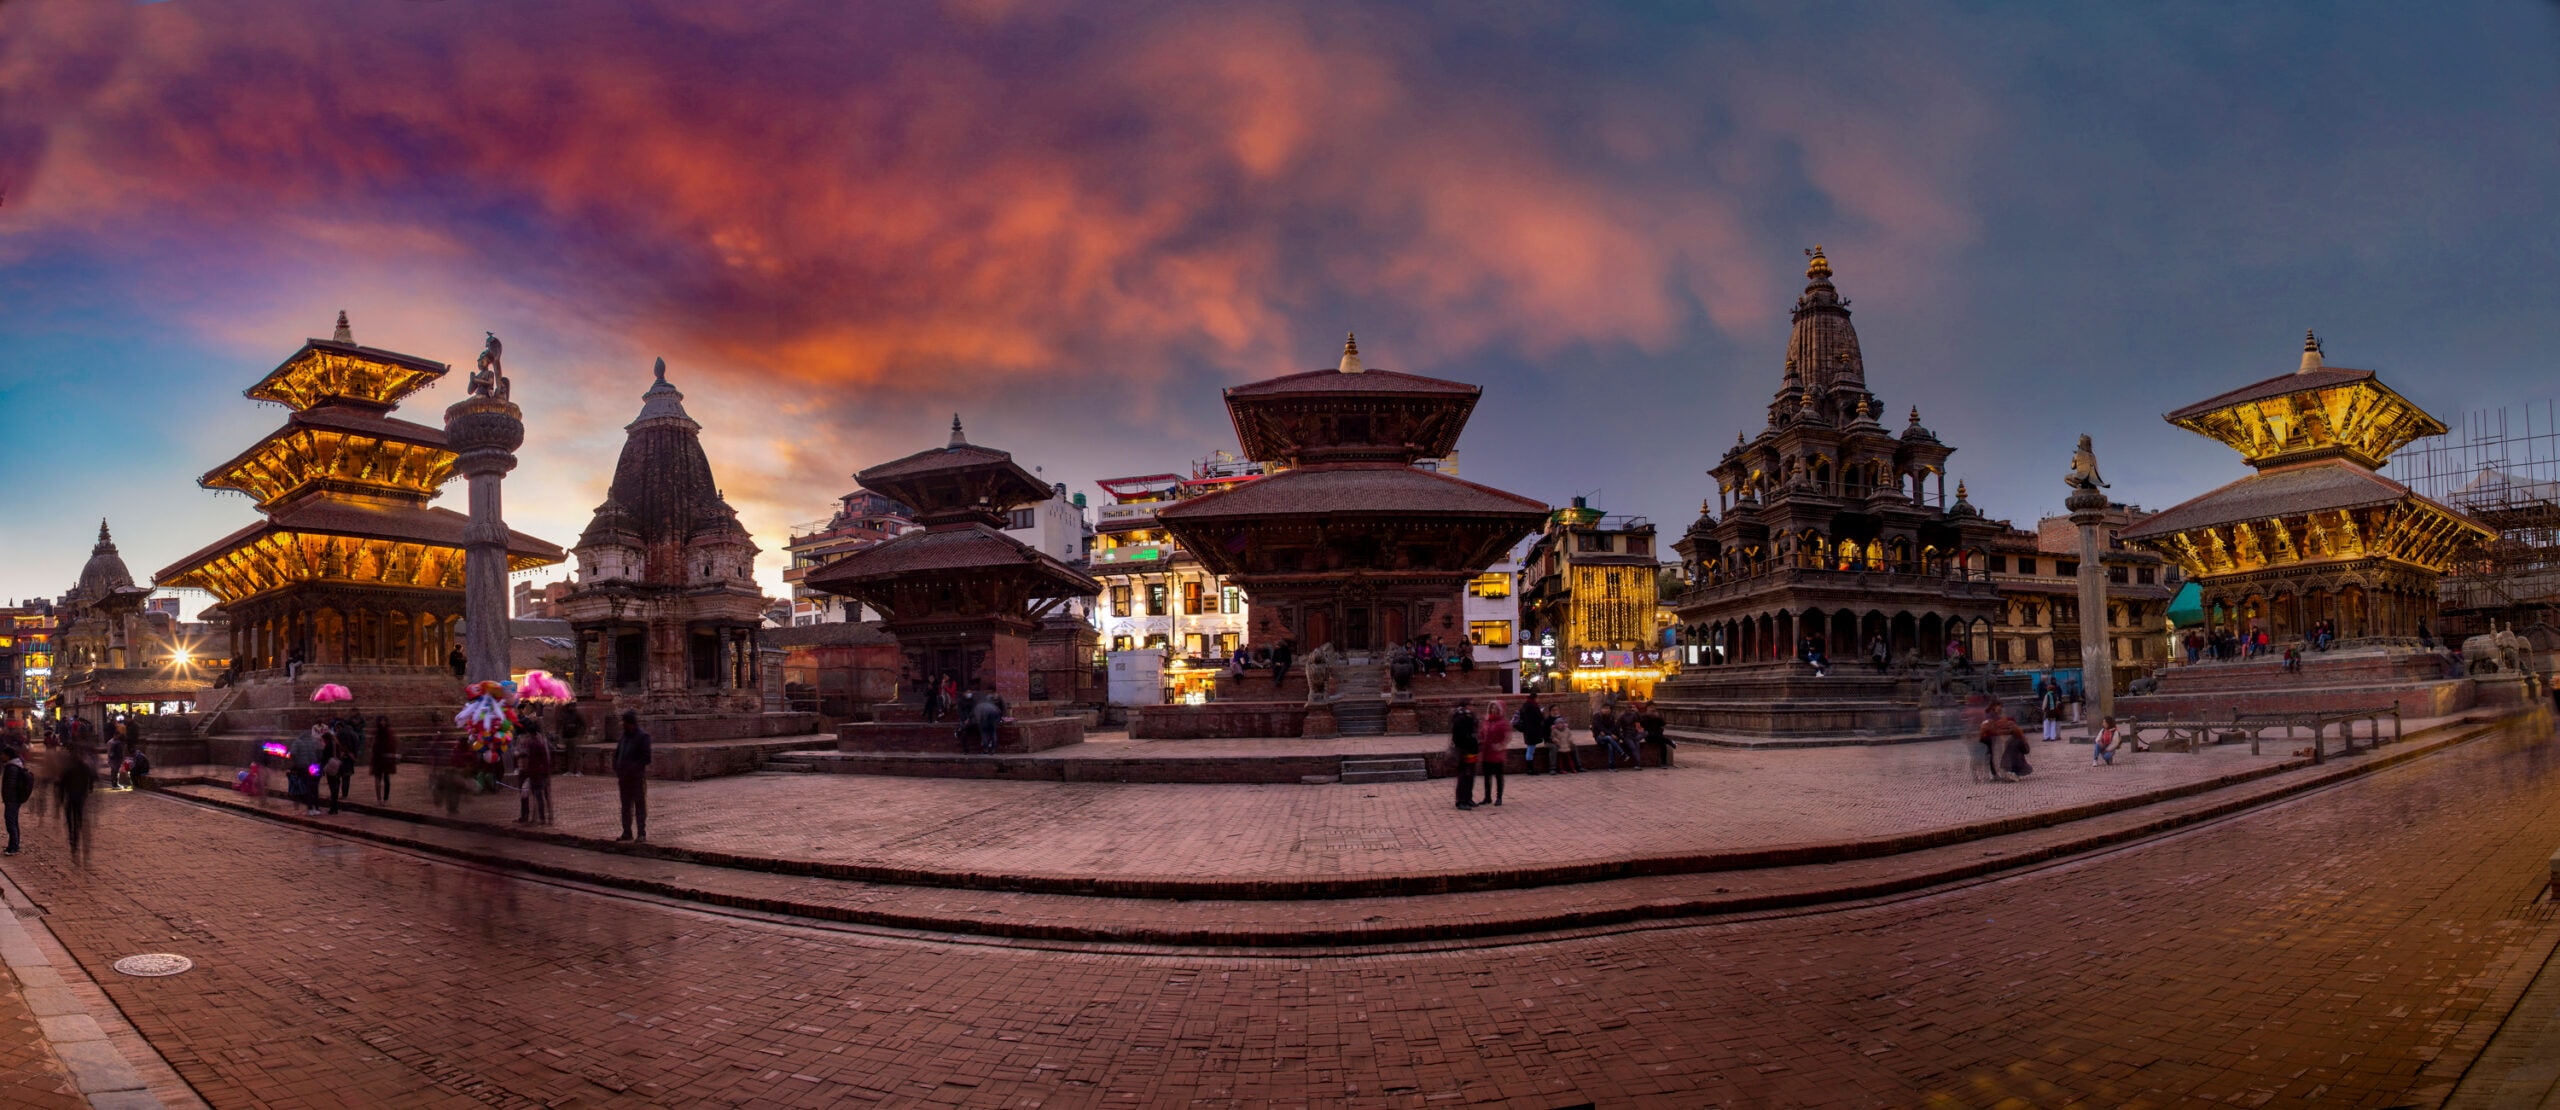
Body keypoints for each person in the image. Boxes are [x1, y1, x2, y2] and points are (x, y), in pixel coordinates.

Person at [613, 709, 651, 841]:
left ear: (630, 723)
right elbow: (618, 753)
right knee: (625, 806)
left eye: (625, 722)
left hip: (636, 778)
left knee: (639, 806)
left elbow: (646, 758)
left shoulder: (642, 737)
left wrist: (632, 768)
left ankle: (641, 833)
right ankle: (627, 832)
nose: (623, 725)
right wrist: (617, 767)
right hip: (624, 778)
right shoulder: (624, 737)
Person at [58, 744, 95, 860]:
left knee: (71, 821)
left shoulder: (68, 769)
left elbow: (62, 785)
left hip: (70, 799)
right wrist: (88, 790)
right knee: (79, 820)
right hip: (81, 798)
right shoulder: (85, 767)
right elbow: (91, 782)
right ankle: (80, 843)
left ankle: (73, 841)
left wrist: (61, 798)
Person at [1978, 702, 2027, 783]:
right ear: (1994, 706)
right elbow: (1990, 727)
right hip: (1989, 738)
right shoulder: (1990, 715)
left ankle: (1997, 774)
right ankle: (1994, 774)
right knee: (1992, 756)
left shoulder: (1997, 715)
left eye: (2001, 707)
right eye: (1999, 706)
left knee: (1995, 756)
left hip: (1994, 737)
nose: (2000, 708)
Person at [520, 726, 555, 825]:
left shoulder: (530, 744)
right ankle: (549, 817)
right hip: (545, 771)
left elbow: (527, 759)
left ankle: (539, 818)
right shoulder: (543, 742)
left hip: (536, 773)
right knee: (546, 795)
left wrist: (525, 770)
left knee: (537, 795)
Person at [1477, 701, 1510, 806]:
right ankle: (1487, 797)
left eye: (1496, 708)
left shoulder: (1503, 722)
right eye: (1492, 708)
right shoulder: (1487, 720)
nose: (1493, 710)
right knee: (1487, 776)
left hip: (1497, 753)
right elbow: (1482, 733)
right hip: (1486, 752)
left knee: (1498, 776)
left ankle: (1499, 797)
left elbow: (1507, 737)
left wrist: (1501, 745)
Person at [288, 723, 324, 816]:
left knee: (306, 787)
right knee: (314, 787)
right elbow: (319, 753)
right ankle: (316, 808)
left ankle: (310, 808)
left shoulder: (297, 742)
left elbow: (293, 753)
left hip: (303, 766)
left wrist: (295, 762)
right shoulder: (313, 742)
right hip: (314, 766)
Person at [1449, 704, 1480, 810]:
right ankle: (1460, 800)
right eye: (1470, 705)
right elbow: (1458, 737)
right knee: (1463, 776)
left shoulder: (1470, 717)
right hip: (1463, 751)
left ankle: (1468, 798)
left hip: (1471, 750)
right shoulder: (1459, 718)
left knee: (1470, 775)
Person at [2, 746, 31, 855]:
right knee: (13, 822)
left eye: (3, 754)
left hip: (12, 800)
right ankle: (14, 845)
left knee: (10, 822)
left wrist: (8, 799)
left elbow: (10, 786)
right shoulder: (16, 765)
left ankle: (13, 848)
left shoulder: (12, 768)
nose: (1, 756)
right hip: (14, 800)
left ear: (8, 755)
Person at [330, 715, 362, 810]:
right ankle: (345, 794)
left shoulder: (340, 734)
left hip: (342, 757)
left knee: (338, 777)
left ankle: (337, 793)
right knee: (346, 777)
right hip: (350, 758)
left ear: (339, 727)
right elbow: (356, 745)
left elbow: (338, 746)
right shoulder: (354, 734)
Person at [970, 682, 1008, 754]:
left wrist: (977, 720)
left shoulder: (985, 697)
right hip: (995, 716)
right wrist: (1002, 717)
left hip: (986, 716)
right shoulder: (997, 696)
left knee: (984, 732)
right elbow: (1003, 707)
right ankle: (993, 749)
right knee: (993, 732)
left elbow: (979, 709)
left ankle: (986, 749)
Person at [369, 719, 400, 803]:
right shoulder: (376, 732)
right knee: (378, 779)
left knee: (387, 779)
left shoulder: (389, 732)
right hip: (378, 759)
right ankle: (379, 798)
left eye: (384, 721)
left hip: (386, 760)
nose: (382, 723)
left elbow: (393, 745)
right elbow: (372, 744)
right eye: (381, 721)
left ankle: (385, 798)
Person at [1639, 702, 1671, 768]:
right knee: (1660, 738)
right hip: (1649, 737)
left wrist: (1658, 717)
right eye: (1650, 708)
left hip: (1658, 736)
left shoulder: (1657, 716)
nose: (1652, 709)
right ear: (1647, 709)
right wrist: (1648, 716)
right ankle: (1670, 741)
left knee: (1663, 744)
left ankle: (1663, 763)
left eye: (1653, 708)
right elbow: (1642, 726)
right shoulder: (1643, 717)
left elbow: (1664, 724)